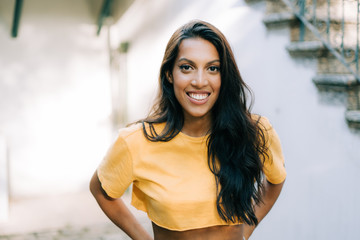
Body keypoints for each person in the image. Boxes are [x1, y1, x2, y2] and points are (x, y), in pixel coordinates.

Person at [90, 20, 286, 240]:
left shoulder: (254, 131)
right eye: (187, 67)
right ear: (169, 74)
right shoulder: (136, 141)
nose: (200, 81)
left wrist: (246, 231)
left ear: (224, 76)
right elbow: (100, 189)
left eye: (213, 68)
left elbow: (275, 180)